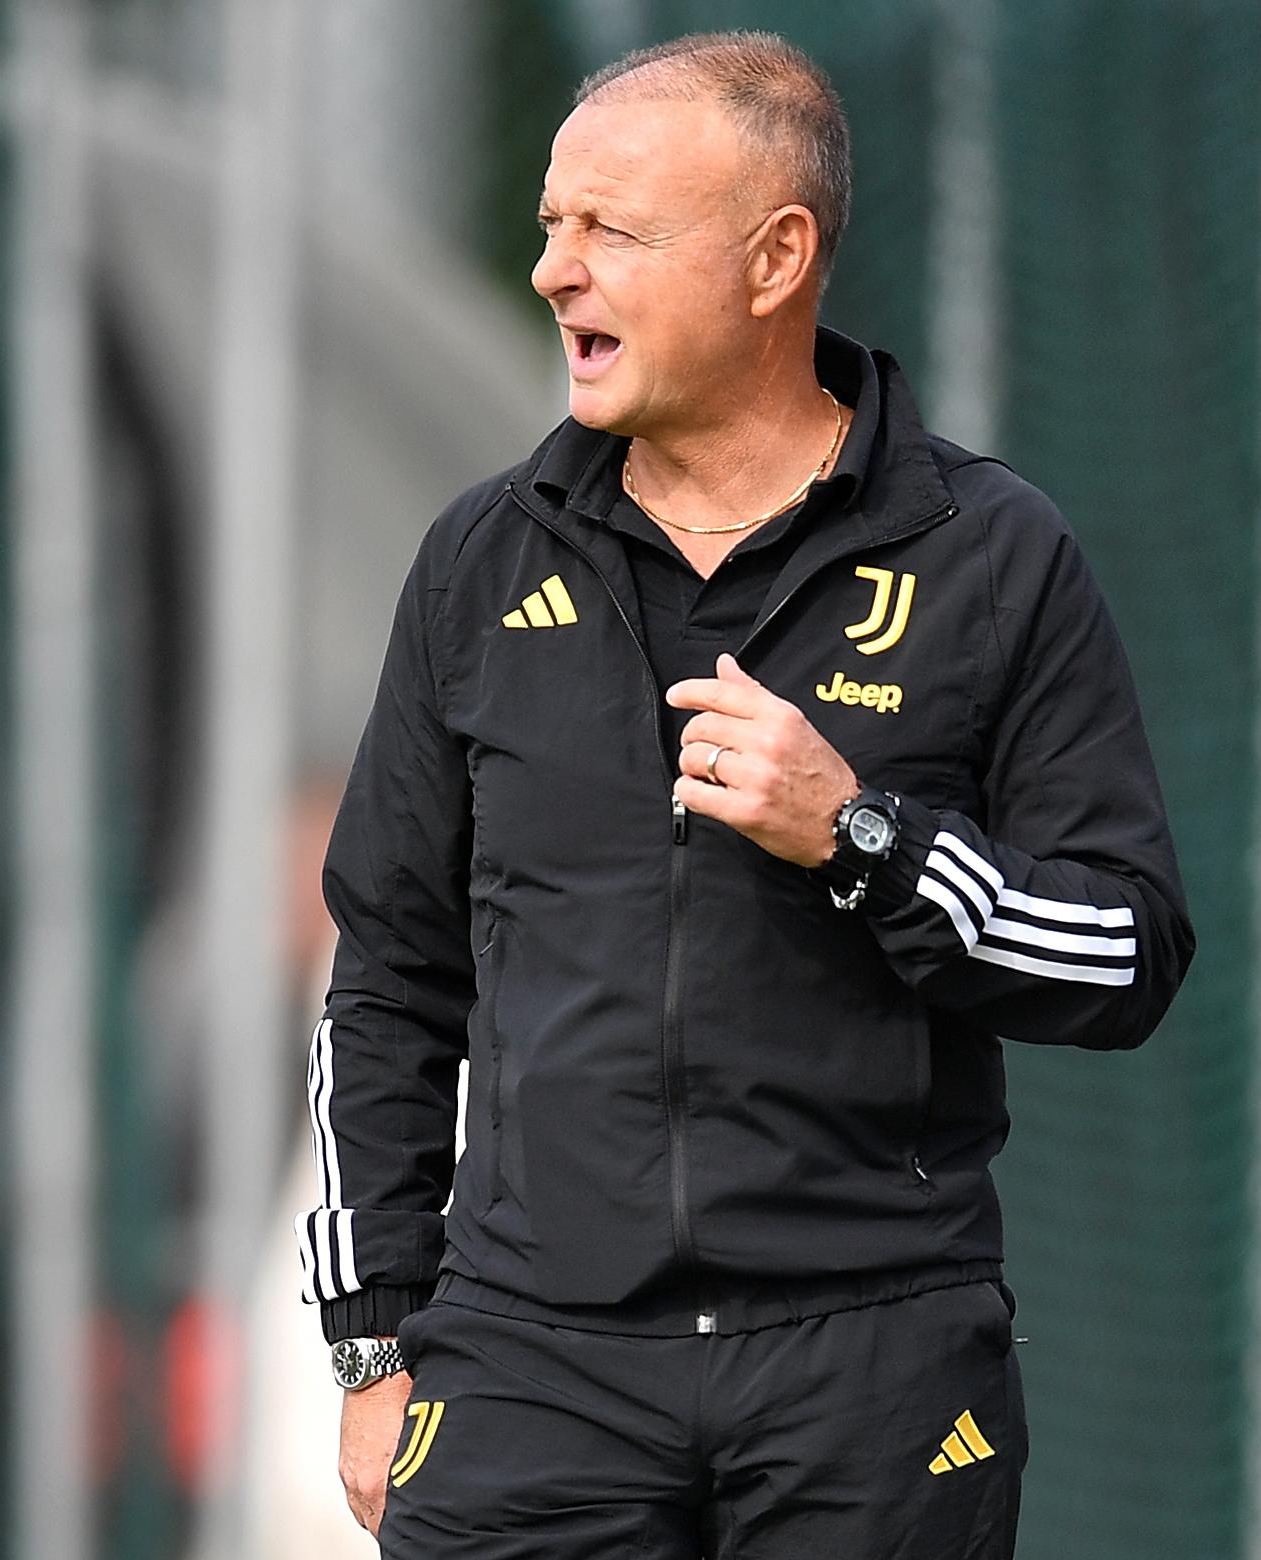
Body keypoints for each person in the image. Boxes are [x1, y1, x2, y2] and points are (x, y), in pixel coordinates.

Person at [298, 30, 1193, 1559]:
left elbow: (1124, 955)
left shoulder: (995, 555)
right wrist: (374, 1343)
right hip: (530, 1366)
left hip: (875, 1367)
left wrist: (863, 837)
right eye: (549, 224)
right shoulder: (478, 559)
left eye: (611, 233)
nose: (554, 272)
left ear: (778, 259)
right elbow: (385, 976)